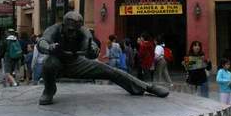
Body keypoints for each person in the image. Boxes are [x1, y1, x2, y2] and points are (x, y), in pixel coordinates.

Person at [36, 10, 169, 105]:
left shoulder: (84, 32)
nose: (73, 34)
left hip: (76, 63)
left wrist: (92, 50)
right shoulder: (54, 29)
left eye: (76, 30)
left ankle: (147, 88)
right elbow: (42, 42)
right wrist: (49, 48)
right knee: (49, 63)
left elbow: (90, 49)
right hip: (57, 62)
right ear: (63, 25)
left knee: (112, 71)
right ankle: (49, 90)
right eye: (70, 30)